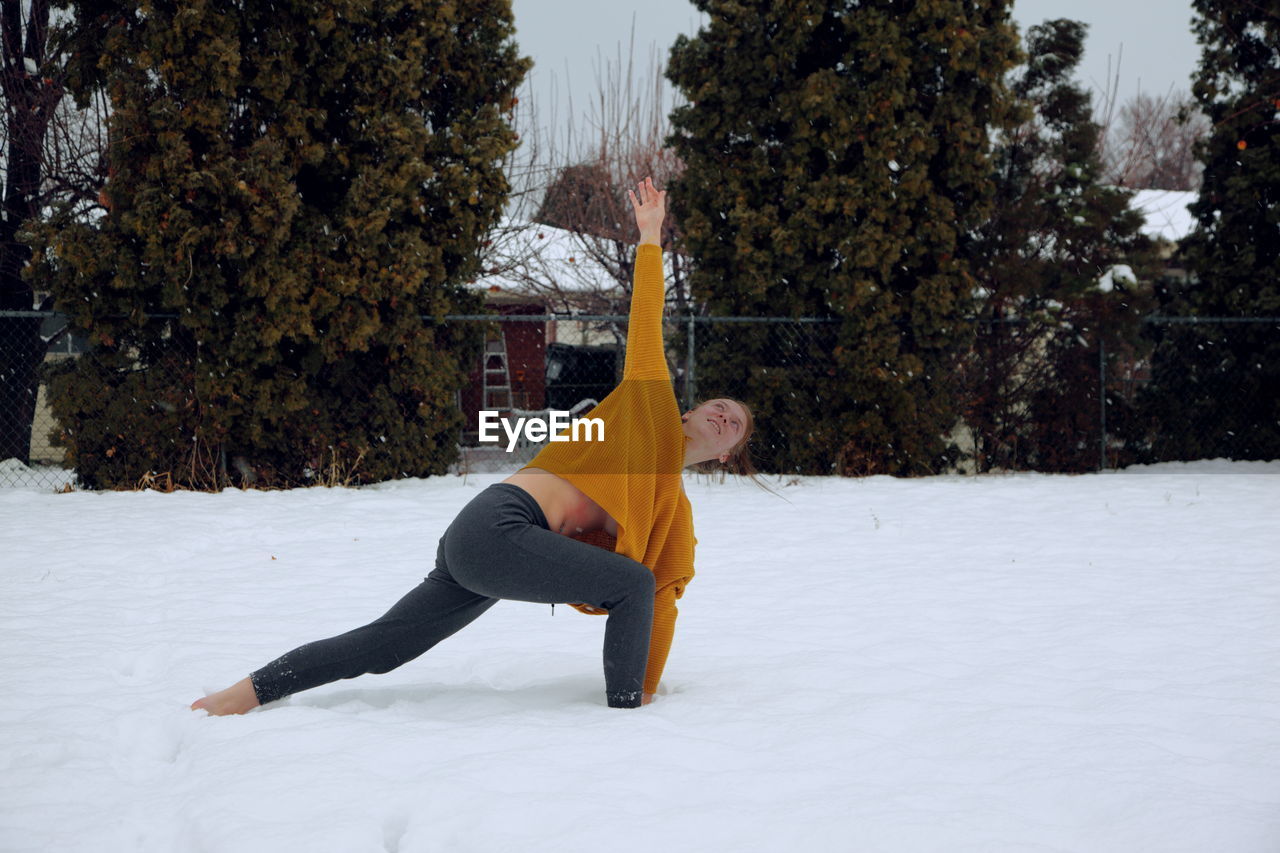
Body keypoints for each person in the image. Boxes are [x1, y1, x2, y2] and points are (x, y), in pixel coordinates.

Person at [191, 177, 755, 715]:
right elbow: (648, 318)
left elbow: (661, 600)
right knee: (627, 582)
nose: (726, 415)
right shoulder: (648, 405)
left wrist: (649, 684)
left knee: (385, 647)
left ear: (727, 454)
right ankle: (622, 719)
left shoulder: (672, 512)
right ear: (691, 410)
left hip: (493, 546)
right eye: (720, 406)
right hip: (501, 525)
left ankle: (247, 692)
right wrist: (650, 234)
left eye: (737, 424)